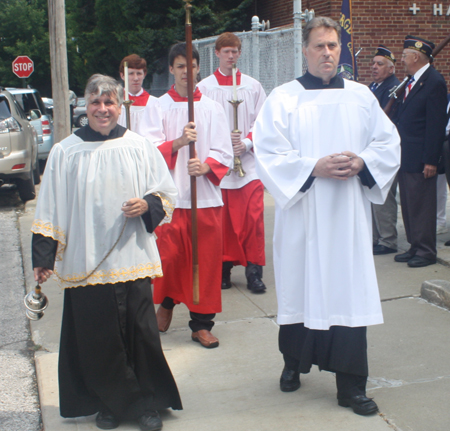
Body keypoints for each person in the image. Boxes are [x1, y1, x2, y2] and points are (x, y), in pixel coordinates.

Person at [253, 17, 400, 415]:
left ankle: (351, 386)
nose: (327, 53)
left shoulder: (360, 97)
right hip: (302, 212)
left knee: (347, 293)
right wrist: (311, 168)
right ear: (305, 50)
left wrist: (363, 160)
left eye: (333, 46)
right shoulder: (283, 98)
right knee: (301, 286)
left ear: (341, 49)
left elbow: (388, 142)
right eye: (319, 46)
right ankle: (293, 364)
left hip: (347, 215)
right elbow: (267, 152)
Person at [31, 74, 182, 431]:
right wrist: (43, 256)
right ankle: (109, 404)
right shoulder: (66, 151)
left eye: (109, 102)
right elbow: (49, 206)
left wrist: (146, 205)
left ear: (119, 106)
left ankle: (146, 403)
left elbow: (165, 193)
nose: (103, 109)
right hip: (86, 261)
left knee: (141, 333)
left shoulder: (138, 146)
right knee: (98, 336)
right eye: (96, 102)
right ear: (86, 104)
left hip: (132, 256)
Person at [153, 43, 233, 348]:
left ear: (199, 68)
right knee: (171, 257)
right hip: (171, 197)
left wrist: (206, 165)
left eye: (192, 65)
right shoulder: (159, 107)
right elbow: (148, 151)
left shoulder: (212, 108)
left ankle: (201, 324)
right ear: (171, 70)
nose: (187, 72)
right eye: (180, 66)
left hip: (206, 197)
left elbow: (224, 150)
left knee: (205, 262)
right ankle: (168, 301)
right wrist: (177, 143)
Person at [198, 32, 267, 293]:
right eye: (226, 51)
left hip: (248, 166)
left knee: (253, 220)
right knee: (222, 222)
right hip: (220, 167)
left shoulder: (252, 86)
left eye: (235, 51)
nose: (231, 56)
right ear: (217, 53)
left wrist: (247, 143)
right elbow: (203, 125)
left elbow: (263, 122)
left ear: (240, 53)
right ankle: (223, 270)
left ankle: (254, 272)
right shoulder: (205, 88)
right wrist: (224, 146)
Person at [392, 35, 448, 267]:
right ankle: (415, 245)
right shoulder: (412, 80)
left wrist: (431, 160)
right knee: (408, 203)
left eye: (405, 55)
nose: (402, 59)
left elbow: (435, 124)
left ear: (416, 56)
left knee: (422, 206)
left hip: (422, 157)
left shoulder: (434, 81)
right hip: (407, 155)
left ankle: (426, 251)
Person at [369, 45, 401, 255]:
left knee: (384, 195)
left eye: (379, 64)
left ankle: (388, 240)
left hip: (385, 149)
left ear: (391, 69)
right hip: (371, 148)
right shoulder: (374, 86)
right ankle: (375, 237)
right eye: (373, 63)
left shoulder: (394, 88)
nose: (374, 67)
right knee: (372, 194)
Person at [117, 54, 165, 142]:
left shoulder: (153, 103)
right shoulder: (115, 102)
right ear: (122, 75)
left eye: (139, 73)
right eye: (131, 73)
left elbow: (157, 136)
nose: (135, 78)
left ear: (144, 74)